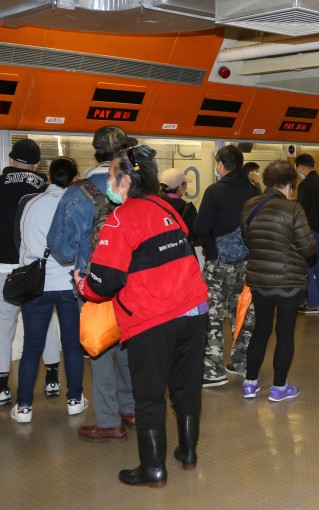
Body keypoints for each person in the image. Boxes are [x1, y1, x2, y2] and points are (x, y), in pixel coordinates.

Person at [74, 147, 208, 487]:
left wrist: (83, 286)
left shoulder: (120, 220)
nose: (107, 181)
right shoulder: (167, 207)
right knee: (186, 387)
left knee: (148, 397)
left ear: (126, 179)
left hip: (152, 319)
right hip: (193, 310)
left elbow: (106, 282)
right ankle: (188, 454)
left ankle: (153, 470)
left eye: (110, 175)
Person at [47, 125, 137, 441]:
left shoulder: (76, 194)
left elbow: (61, 249)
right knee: (128, 347)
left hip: (95, 285)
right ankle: (132, 408)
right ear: (124, 153)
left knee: (100, 352)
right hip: (134, 286)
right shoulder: (138, 189)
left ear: (95, 154)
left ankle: (110, 420)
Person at [11, 157, 86, 423]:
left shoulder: (30, 203)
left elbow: (19, 241)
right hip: (69, 283)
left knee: (31, 347)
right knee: (73, 346)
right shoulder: (78, 204)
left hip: (36, 285)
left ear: (48, 176)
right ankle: (75, 400)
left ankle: (23, 407)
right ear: (76, 177)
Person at [0, 138, 49, 406]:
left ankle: (1, 388)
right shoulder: (46, 188)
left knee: (1, 333)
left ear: (10, 159)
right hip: (36, 271)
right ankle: (52, 380)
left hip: (1, 271)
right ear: (37, 164)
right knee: (45, 327)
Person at [240, 160, 316, 401]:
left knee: (260, 330)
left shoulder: (250, 205)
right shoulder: (293, 209)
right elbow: (308, 247)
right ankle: (279, 387)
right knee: (284, 333)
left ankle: (250, 383)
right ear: (290, 185)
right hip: (288, 283)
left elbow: (247, 238)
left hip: (259, 281)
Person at [193, 145, 259, 386]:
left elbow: (199, 228)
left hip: (217, 263)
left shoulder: (215, 191)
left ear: (222, 164)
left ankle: (213, 372)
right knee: (244, 311)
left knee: (212, 314)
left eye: (217, 163)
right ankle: (242, 363)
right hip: (247, 262)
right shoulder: (253, 190)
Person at [295, 153, 319, 314]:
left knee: (307, 269)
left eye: (298, 169)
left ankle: (312, 303)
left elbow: (300, 212)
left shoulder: (304, 186)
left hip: (308, 234)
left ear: (302, 167)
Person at [159, 167, 198, 243]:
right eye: (185, 184)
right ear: (180, 186)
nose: (186, 187)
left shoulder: (155, 205)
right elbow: (193, 235)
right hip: (181, 251)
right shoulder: (188, 209)